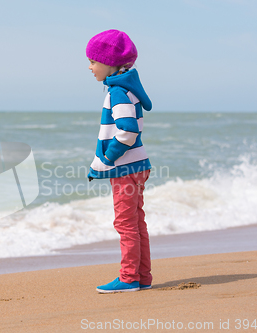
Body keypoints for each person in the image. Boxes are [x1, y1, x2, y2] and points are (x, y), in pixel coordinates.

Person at [86, 29, 153, 293]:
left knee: (125, 223)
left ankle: (128, 278)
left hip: (125, 167)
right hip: (138, 165)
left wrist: (107, 157)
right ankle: (142, 276)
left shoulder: (117, 92)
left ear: (109, 63)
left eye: (93, 61)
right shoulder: (127, 89)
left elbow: (127, 131)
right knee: (137, 222)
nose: (89, 67)